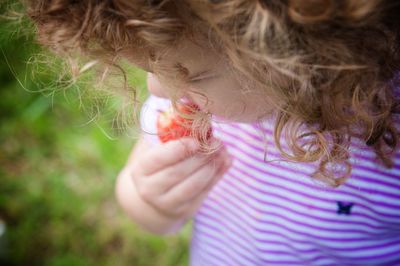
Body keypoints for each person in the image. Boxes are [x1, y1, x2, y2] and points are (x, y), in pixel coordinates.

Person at [26, 0, 400, 265]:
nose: (158, 90)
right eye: (151, 69)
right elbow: (143, 201)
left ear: (300, 55)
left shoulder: (389, 150)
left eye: (191, 73)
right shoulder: (187, 109)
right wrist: (151, 200)